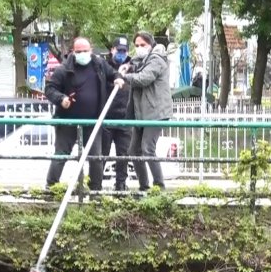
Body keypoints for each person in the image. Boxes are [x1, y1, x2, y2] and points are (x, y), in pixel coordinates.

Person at [42, 37, 125, 191]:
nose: (82, 54)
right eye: (79, 51)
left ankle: (95, 190)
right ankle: (51, 187)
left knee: (95, 157)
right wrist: (61, 99)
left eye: (85, 51)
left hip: (92, 122)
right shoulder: (63, 69)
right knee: (61, 155)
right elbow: (50, 89)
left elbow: (113, 73)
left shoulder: (99, 64)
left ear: (91, 50)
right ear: (73, 52)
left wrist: (118, 78)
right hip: (67, 121)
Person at [120, 32, 173, 190]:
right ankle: (144, 186)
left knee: (147, 149)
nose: (139, 48)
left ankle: (159, 187)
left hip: (156, 113)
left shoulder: (156, 60)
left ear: (151, 45)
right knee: (134, 150)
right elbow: (136, 64)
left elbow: (144, 78)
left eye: (143, 45)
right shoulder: (142, 60)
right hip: (141, 113)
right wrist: (128, 66)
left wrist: (124, 77)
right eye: (136, 45)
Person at [103, 37, 134, 191]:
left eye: (124, 50)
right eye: (118, 50)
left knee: (123, 155)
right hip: (106, 118)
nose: (121, 53)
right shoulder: (104, 66)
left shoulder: (132, 67)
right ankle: (95, 185)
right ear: (112, 50)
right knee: (101, 154)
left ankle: (121, 186)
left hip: (125, 119)